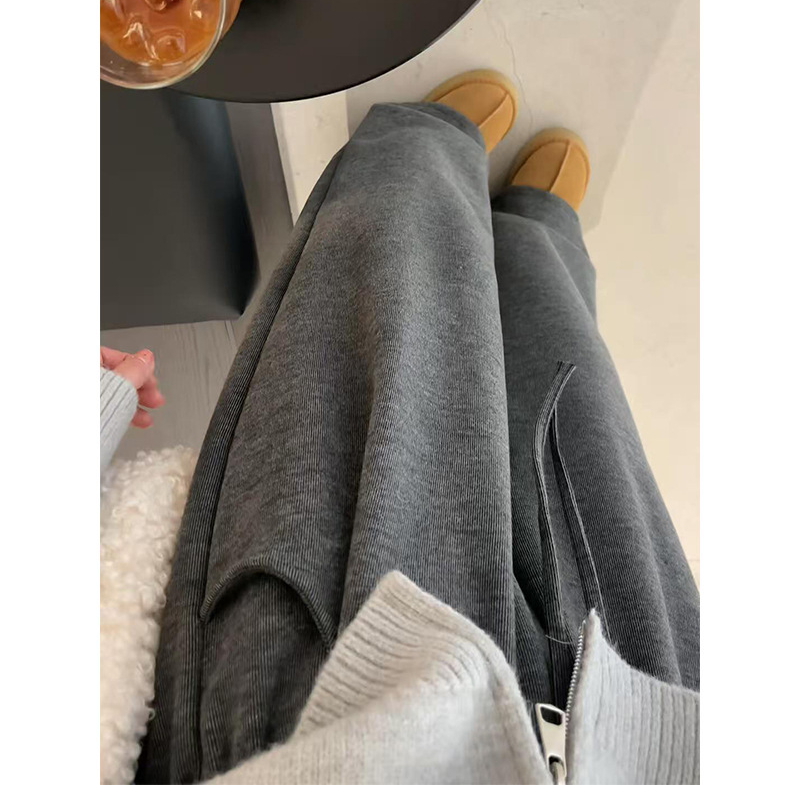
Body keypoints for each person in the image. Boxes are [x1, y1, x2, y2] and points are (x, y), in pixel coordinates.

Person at [101, 70, 699, 784]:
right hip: (650, 747)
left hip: (317, 737)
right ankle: (536, 240)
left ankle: (428, 152)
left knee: (383, 331)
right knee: (586, 437)